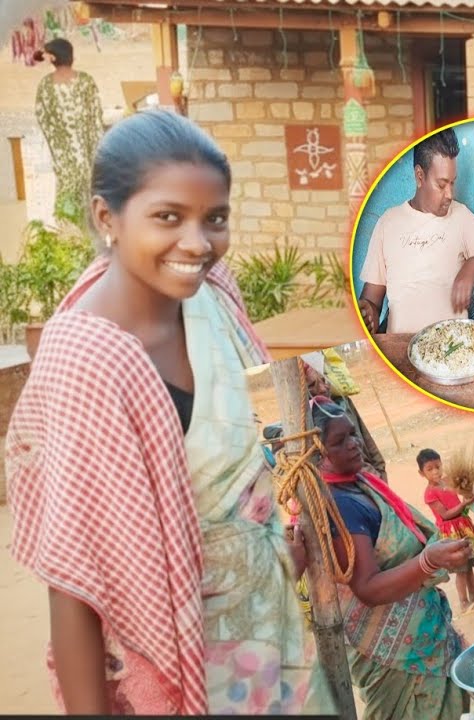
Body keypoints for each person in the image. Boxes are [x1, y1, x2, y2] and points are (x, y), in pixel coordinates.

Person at [5, 110, 334, 714]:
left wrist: (264, 555)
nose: (197, 243)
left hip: (272, 638)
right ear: (108, 218)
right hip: (173, 668)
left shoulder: (216, 298)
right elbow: (75, 580)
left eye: (215, 219)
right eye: (167, 217)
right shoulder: (87, 359)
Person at [311, 401, 472, 720]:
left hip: (428, 638)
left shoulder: (361, 484)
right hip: (394, 658)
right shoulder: (340, 506)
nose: (354, 444)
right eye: (339, 441)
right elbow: (367, 588)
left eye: (353, 434)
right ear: (318, 453)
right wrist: (427, 562)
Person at [357, 129, 474, 335]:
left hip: (452, 350)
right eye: (442, 184)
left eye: (452, 183)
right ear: (420, 176)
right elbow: (372, 300)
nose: (450, 194)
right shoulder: (388, 223)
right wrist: (369, 313)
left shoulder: (460, 216)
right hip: (400, 352)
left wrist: (473, 265)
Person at [33, 38, 104, 224]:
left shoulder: (46, 86)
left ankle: (70, 238)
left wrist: (57, 148)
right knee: (91, 199)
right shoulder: (86, 81)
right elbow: (96, 119)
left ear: (53, 58)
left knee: (67, 206)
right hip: (89, 156)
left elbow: (43, 120)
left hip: (64, 159)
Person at [419, 449, 474, 615]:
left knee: (469, 565)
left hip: (463, 526)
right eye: (430, 469)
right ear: (421, 473)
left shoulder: (449, 480)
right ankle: (463, 602)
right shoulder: (429, 494)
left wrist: (471, 493)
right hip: (451, 532)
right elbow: (445, 514)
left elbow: (465, 491)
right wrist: (463, 505)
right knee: (460, 569)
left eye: (438, 466)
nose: (435, 471)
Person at [301, 352, 386, 477]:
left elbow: (374, 453)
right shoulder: (307, 426)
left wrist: (381, 480)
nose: (323, 388)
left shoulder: (343, 403)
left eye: (323, 380)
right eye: (312, 385)